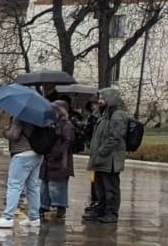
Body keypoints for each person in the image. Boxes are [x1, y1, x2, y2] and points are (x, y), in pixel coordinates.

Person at [86, 88, 129, 224]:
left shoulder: (117, 115)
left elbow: (114, 137)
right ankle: (101, 209)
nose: (100, 101)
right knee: (100, 187)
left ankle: (111, 213)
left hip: (109, 160)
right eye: (99, 98)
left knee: (110, 188)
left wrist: (102, 152)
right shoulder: (104, 114)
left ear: (110, 99)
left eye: (103, 98)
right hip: (100, 159)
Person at [41, 100, 76, 222]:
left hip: (60, 160)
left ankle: (60, 207)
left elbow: (67, 142)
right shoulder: (52, 123)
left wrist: (57, 153)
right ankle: (43, 205)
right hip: (49, 158)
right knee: (45, 184)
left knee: (57, 185)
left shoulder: (67, 125)